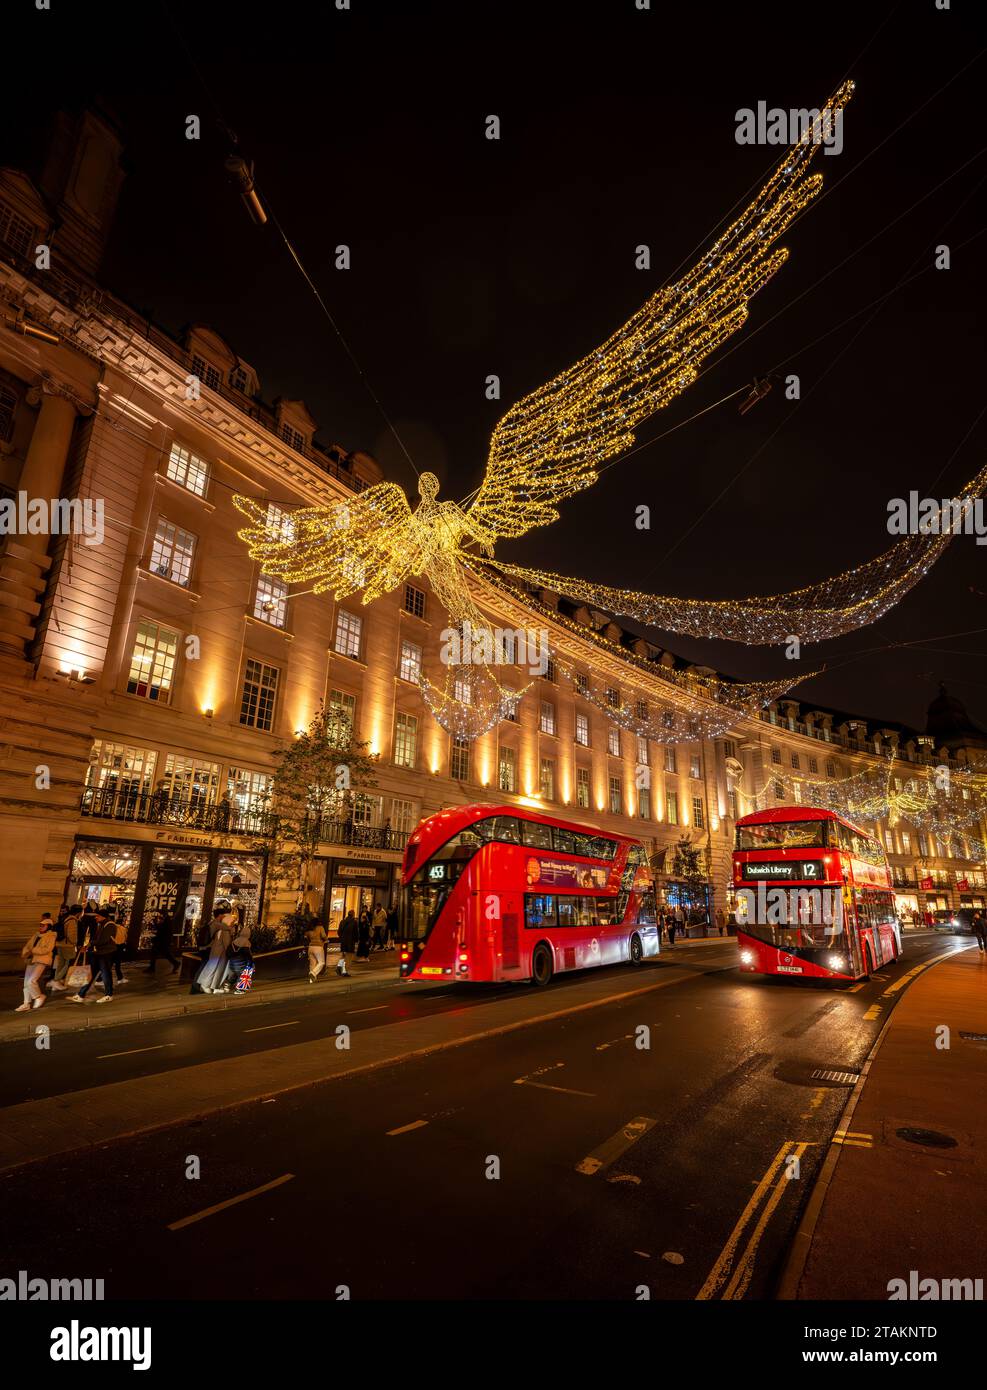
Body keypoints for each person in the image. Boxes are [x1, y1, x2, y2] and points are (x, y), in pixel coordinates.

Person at [68, 909, 117, 1004]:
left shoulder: (109, 925)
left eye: (97, 916)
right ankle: (81, 994)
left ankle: (109, 995)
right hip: (100, 953)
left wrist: (89, 944)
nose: (95, 917)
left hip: (106, 953)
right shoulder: (102, 924)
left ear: (103, 916)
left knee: (106, 974)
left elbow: (103, 940)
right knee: (92, 973)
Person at [16, 915, 58, 1011]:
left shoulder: (51, 936)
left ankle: (39, 996)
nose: (41, 927)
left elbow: (48, 949)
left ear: (49, 927)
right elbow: (28, 945)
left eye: (43, 925)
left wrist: (33, 950)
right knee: (26, 982)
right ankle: (26, 1003)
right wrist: (25, 952)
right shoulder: (36, 935)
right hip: (32, 959)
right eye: (40, 925)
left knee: (31, 981)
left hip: (42, 960)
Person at [194, 907, 234, 994]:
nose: (224, 917)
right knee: (210, 968)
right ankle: (200, 987)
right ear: (219, 915)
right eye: (223, 916)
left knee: (208, 967)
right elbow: (227, 929)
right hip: (209, 949)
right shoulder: (217, 924)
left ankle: (202, 986)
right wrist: (231, 928)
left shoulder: (213, 923)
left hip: (207, 948)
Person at [51, 904, 81, 992]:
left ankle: (56, 982)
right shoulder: (72, 920)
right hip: (67, 945)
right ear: (79, 912)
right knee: (68, 964)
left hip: (60, 944)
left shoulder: (65, 917)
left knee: (61, 963)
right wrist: (75, 942)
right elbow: (71, 935)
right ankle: (56, 981)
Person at [224, 917, 254, 992]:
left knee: (232, 975)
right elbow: (248, 955)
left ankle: (227, 986)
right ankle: (240, 989)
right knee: (246, 973)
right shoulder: (246, 942)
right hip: (241, 964)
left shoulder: (235, 941)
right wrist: (251, 963)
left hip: (232, 962)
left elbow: (228, 951)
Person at [110, 913, 129, 984]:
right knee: (117, 964)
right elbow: (125, 938)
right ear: (122, 923)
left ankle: (100, 979)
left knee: (109, 964)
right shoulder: (124, 929)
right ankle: (120, 979)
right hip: (120, 947)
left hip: (112, 946)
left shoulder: (113, 928)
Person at [337, 910, 357, 976]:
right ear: (353, 915)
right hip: (350, 942)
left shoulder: (342, 921)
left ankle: (339, 967)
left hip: (343, 941)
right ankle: (344, 971)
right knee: (349, 957)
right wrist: (356, 940)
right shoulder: (354, 922)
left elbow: (339, 932)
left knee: (343, 955)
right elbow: (355, 933)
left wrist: (342, 938)